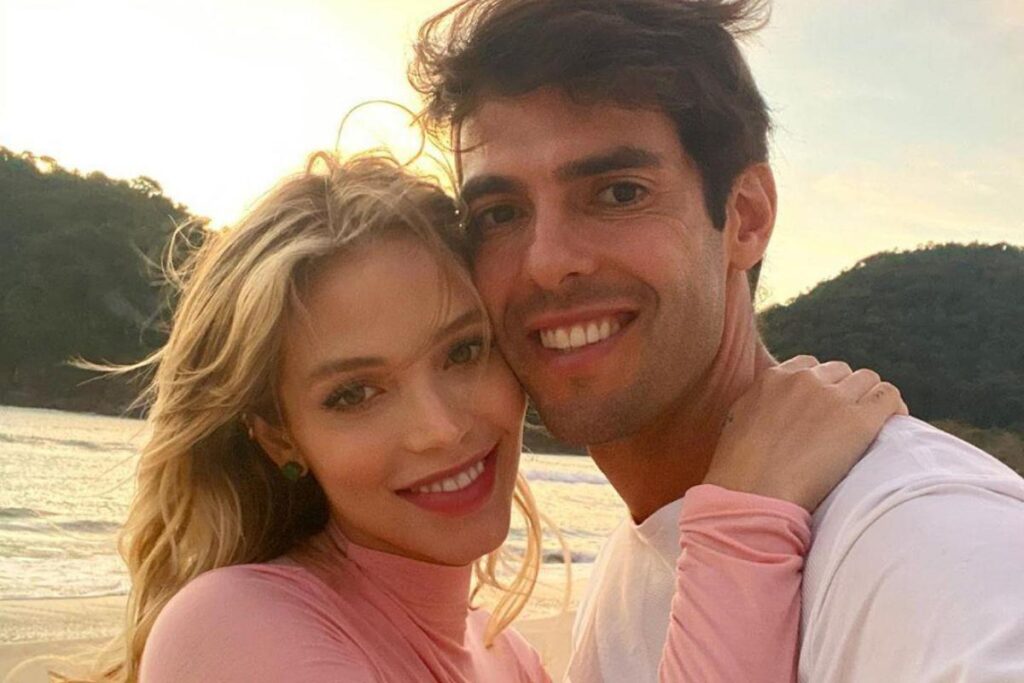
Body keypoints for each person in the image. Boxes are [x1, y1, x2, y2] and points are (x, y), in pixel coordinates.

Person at [69, 150, 902, 683]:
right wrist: (747, 509)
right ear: (279, 433)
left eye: (463, 351)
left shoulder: (512, 659)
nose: (438, 427)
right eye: (354, 393)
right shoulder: (233, 630)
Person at [409, 0, 1024, 681]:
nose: (548, 262)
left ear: (746, 218)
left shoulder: (920, 539)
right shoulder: (631, 567)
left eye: (618, 194)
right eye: (499, 213)